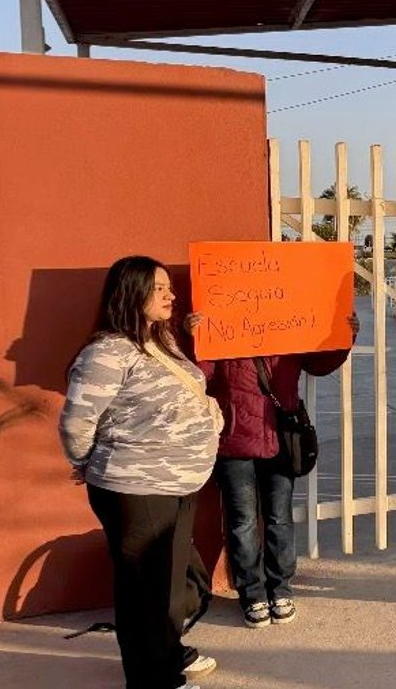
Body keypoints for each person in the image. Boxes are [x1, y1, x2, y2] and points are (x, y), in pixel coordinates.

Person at [60, 256, 222, 689]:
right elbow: (77, 422)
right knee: (145, 591)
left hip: (178, 483)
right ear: (132, 293)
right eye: (159, 288)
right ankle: (153, 677)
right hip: (136, 488)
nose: (171, 295)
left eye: (169, 287)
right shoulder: (107, 353)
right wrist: (84, 463)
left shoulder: (160, 341)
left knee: (169, 584)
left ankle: (168, 652)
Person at [184, 312, 359, 628]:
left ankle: (280, 589)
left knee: (279, 518)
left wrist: (344, 337)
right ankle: (251, 593)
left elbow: (318, 364)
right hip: (234, 442)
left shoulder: (288, 323)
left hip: (279, 438)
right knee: (243, 521)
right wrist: (197, 339)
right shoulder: (223, 326)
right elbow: (201, 378)